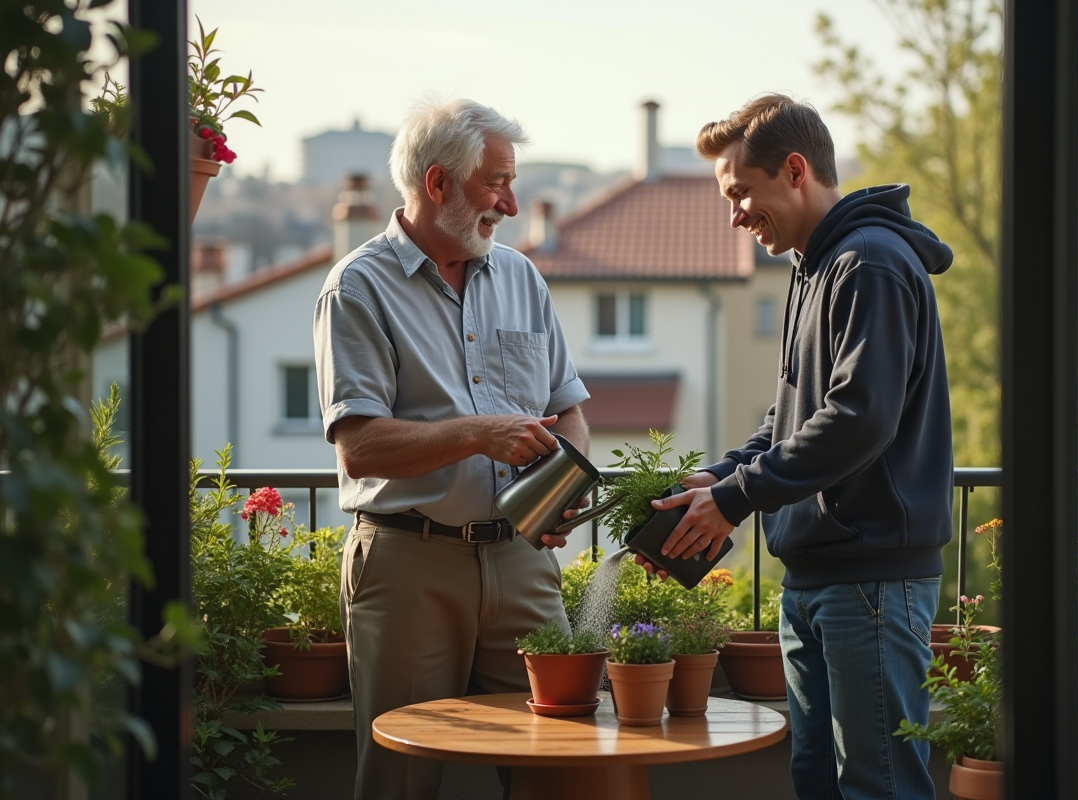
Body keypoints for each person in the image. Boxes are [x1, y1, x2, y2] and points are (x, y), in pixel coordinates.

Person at [642, 95, 955, 800]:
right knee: (817, 782)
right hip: (817, 578)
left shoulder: (869, 264)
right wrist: (719, 479)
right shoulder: (814, 267)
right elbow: (791, 417)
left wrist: (737, 498)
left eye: (740, 193)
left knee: (877, 787)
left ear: (793, 170)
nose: (735, 215)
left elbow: (858, 419)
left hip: (871, 581)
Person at [313, 98, 590, 800]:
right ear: (437, 183)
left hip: (522, 561)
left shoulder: (522, 277)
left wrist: (559, 495)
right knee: (400, 781)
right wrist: (479, 432)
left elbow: (569, 412)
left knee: (562, 768)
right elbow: (360, 447)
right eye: (497, 183)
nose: (512, 204)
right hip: (410, 564)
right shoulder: (357, 287)